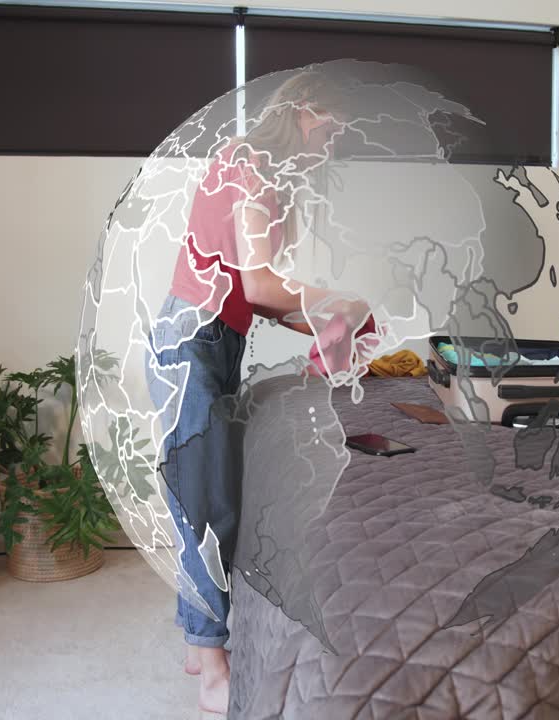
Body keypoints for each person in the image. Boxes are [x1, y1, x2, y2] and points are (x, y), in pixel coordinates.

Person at [145, 70, 374, 715]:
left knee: (208, 486)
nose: (338, 134)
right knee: (207, 496)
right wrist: (337, 298)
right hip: (190, 338)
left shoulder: (277, 180)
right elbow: (262, 284)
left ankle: (198, 641)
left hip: (215, 337)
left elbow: (266, 300)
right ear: (303, 110)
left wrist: (337, 319)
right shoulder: (251, 161)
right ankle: (212, 669)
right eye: (334, 120)